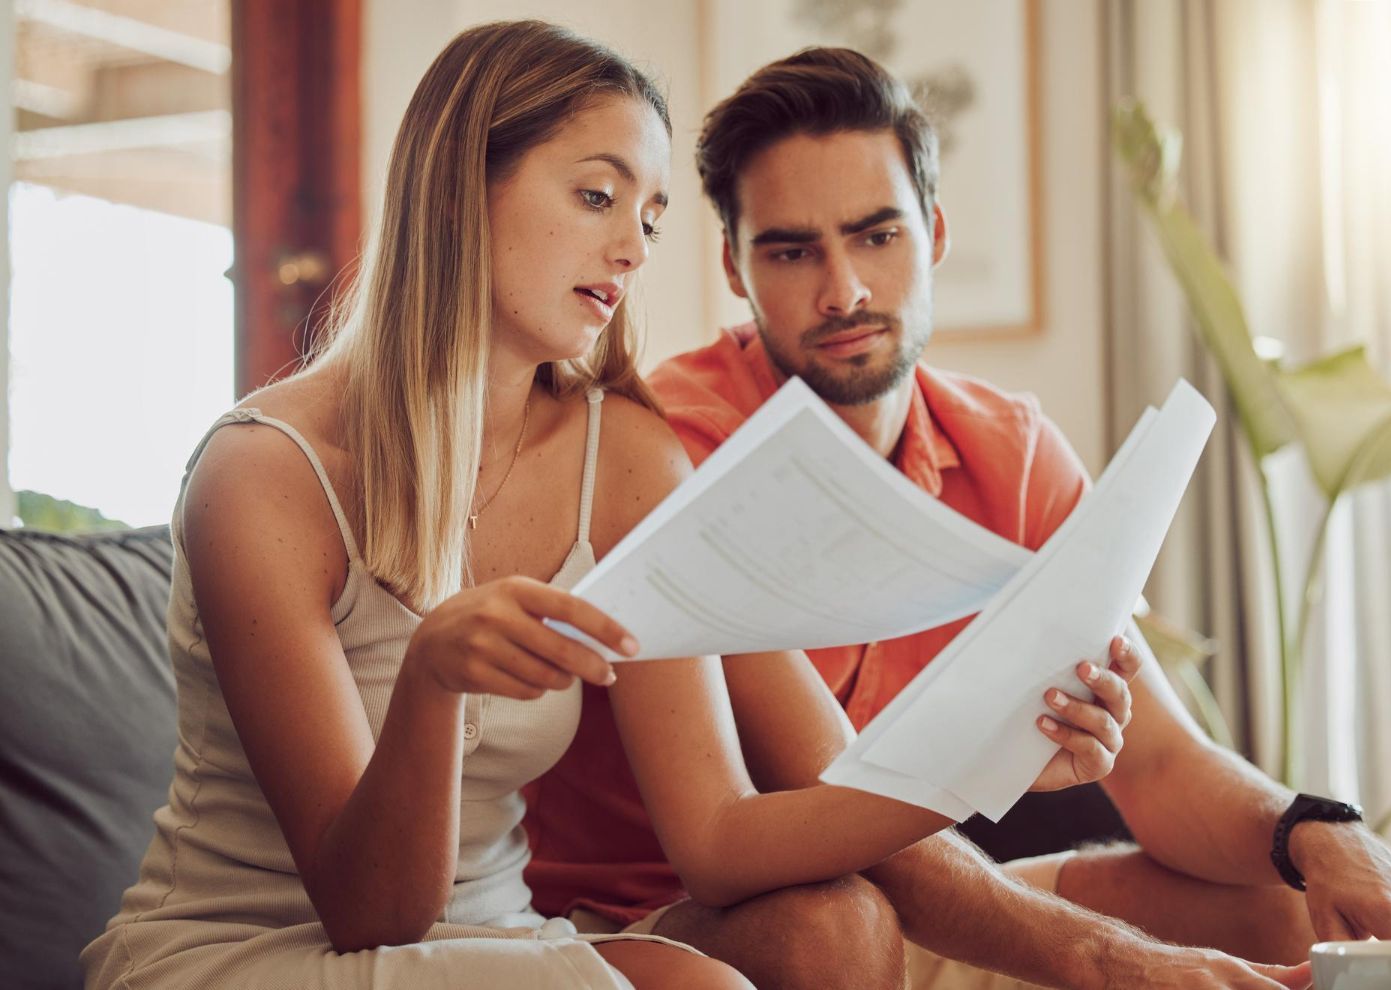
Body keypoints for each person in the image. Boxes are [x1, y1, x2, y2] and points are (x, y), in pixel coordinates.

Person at [79, 21, 1133, 990]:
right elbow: (370, 914)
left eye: (651, 217)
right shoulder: (264, 476)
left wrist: (987, 765)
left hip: (496, 937)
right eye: (597, 196)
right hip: (250, 949)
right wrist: (430, 685)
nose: (632, 248)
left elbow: (717, 837)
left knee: (809, 938)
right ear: (457, 192)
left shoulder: (624, 456)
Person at [522, 46, 1391, 990]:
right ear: (734, 266)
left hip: (922, 899)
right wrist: (1113, 961)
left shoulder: (1014, 454)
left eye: (877, 236)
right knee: (833, 925)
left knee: (1287, 908)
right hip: (686, 923)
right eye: (793, 251)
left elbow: (1163, 768)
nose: (843, 291)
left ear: (935, 231)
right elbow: (841, 819)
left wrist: (1316, 831)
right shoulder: (674, 447)